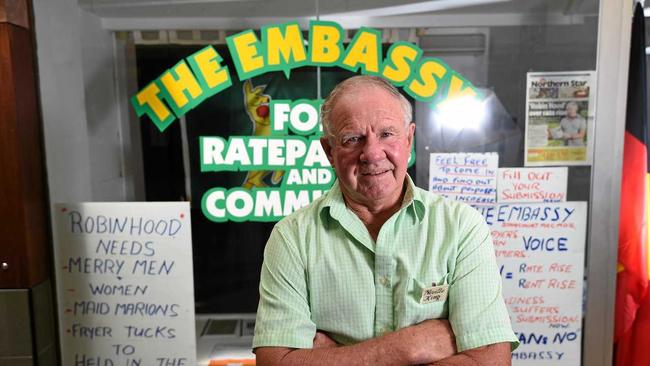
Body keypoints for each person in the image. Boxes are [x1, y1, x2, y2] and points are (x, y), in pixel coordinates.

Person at [253, 75, 518, 365]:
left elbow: (490, 361)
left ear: (409, 139)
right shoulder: (292, 238)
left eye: (387, 134)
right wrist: (407, 347)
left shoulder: (461, 227)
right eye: (352, 139)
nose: (371, 153)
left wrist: (334, 358)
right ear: (329, 151)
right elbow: (274, 362)